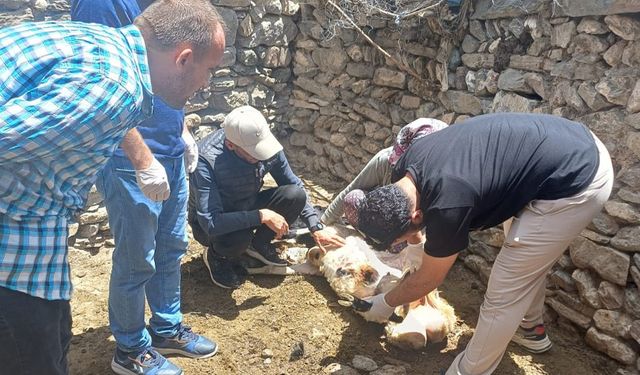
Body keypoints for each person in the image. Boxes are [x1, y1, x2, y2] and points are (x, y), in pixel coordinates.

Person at [0, 1, 225, 374]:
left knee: (55, 340)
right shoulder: (113, 86)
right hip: (13, 249)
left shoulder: (104, 44)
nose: (206, 85)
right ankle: (131, 349)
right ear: (183, 59)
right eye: (209, 71)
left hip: (34, 230)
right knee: (31, 356)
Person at [353, 113, 613, 375]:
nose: (393, 247)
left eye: (395, 240)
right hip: (556, 147)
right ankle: (530, 330)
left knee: (505, 290)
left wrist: (385, 304)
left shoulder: (449, 202)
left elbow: (430, 277)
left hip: (578, 178)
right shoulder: (405, 173)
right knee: (524, 266)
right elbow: (413, 232)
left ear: (416, 216)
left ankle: (467, 372)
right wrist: (411, 258)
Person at [71, 1, 222, 374]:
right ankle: (130, 349)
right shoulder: (101, 4)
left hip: (168, 148)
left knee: (171, 247)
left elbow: (178, 72)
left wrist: (183, 131)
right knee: (137, 259)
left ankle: (166, 328)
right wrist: (141, 159)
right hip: (131, 158)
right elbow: (100, 85)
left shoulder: (165, 8)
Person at [189, 106, 345, 289]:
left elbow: (293, 184)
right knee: (239, 236)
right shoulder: (205, 160)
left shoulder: (264, 143)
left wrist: (315, 225)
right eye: (254, 154)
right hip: (216, 221)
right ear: (231, 145)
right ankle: (217, 256)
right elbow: (210, 222)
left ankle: (258, 245)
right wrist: (261, 216)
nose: (261, 157)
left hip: (248, 202)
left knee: (295, 196)